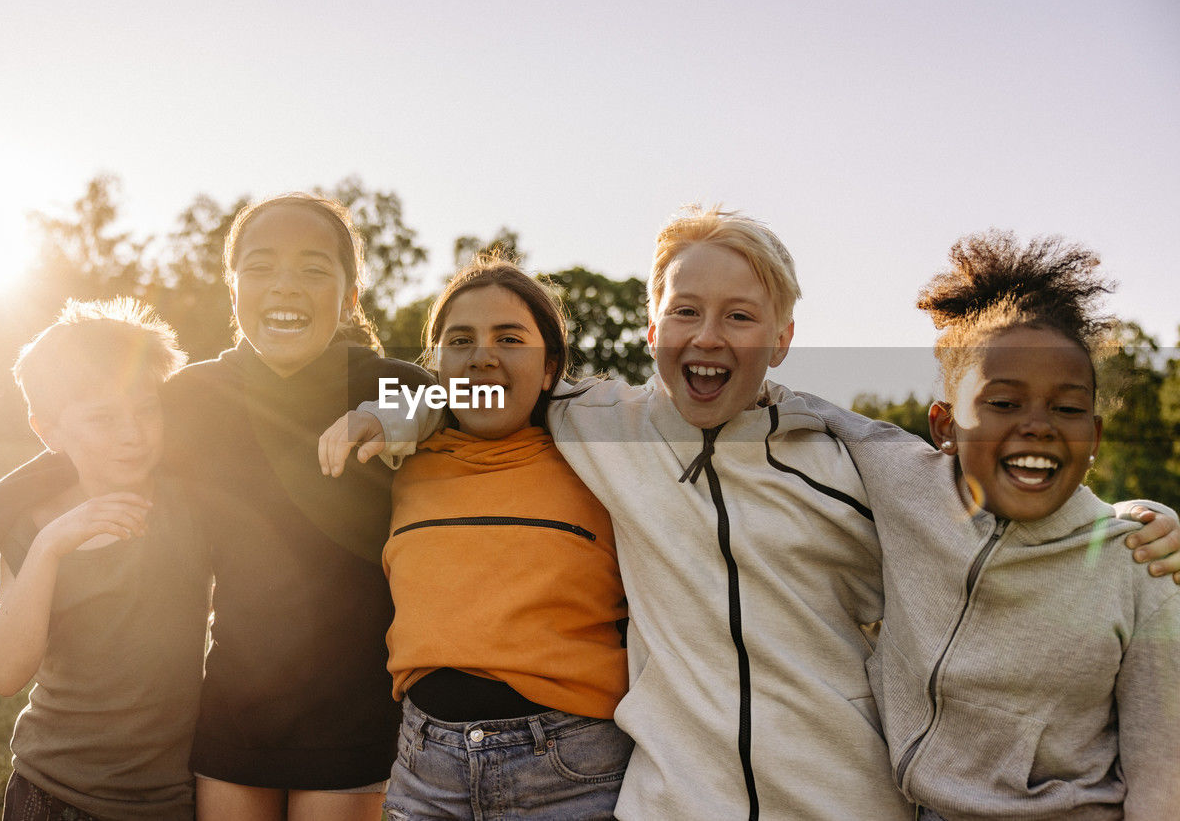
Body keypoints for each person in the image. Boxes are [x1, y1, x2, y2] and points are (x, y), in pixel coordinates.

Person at [327, 206, 1180, 820]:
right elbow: (485, 375)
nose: (708, 336)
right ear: (651, 324)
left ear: (781, 339)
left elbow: (1005, 482)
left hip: (838, 802)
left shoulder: (854, 457)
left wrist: (1131, 520)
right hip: (666, 803)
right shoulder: (598, 419)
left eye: (740, 317)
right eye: (686, 312)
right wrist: (392, 411)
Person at [0, 193, 433, 821]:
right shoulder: (197, 394)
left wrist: (379, 416)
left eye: (314, 268)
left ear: (351, 295)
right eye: (260, 267)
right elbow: (78, 445)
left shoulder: (386, 382)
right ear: (232, 290)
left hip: (352, 706)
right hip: (233, 705)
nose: (286, 285)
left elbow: (441, 396)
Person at [804, 232, 1180, 819]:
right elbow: (792, 408)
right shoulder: (899, 481)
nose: (1039, 426)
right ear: (945, 426)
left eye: (1068, 408)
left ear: (1095, 439)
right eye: (1004, 403)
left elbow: (1164, 774)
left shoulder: (1141, 564)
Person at [323, 254, 632, 819]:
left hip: (571, 771)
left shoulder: (598, 464)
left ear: (548, 368)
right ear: (437, 364)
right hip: (426, 769)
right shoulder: (405, 463)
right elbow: (419, 409)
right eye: (460, 340)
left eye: (510, 338)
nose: (484, 354)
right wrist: (383, 416)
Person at [0, 298, 207, 821]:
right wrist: (52, 546)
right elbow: (2, 673)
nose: (132, 433)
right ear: (48, 430)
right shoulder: (31, 525)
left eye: (146, 410)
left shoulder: (188, 504)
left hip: (171, 798)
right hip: (54, 791)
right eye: (103, 418)